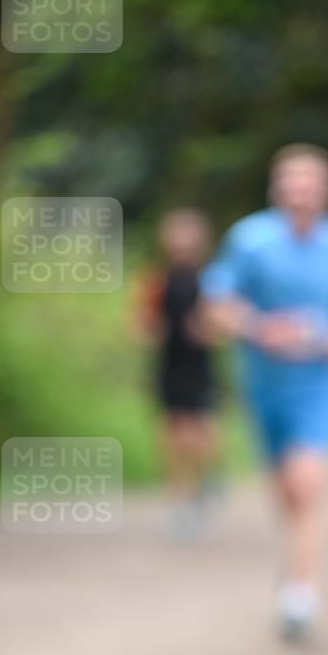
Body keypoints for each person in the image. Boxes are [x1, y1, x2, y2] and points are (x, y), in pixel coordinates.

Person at [200, 144, 328, 641]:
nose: (301, 192)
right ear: (277, 189)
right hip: (264, 382)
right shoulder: (249, 239)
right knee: (285, 489)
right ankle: (297, 561)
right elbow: (217, 302)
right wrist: (259, 328)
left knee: (308, 483)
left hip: (321, 380)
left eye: (311, 183)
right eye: (292, 183)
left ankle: (301, 595)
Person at [133, 209, 221, 539]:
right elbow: (141, 323)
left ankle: (205, 481)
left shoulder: (212, 279)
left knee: (201, 433)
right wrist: (151, 329)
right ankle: (180, 501)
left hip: (200, 365)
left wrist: (207, 330)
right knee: (172, 434)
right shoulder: (156, 279)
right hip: (169, 364)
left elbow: (222, 325)